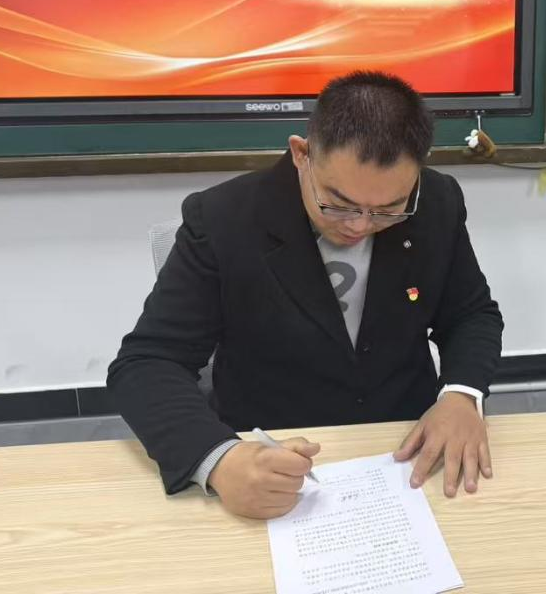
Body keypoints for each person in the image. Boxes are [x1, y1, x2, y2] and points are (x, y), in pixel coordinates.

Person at [108, 71, 503, 518]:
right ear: (302, 154)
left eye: (388, 210)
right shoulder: (223, 219)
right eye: (338, 203)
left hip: (405, 446)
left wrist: (460, 394)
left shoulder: (436, 202)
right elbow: (147, 362)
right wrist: (218, 459)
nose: (360, 225)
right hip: (273, 453)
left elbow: (471, 314)